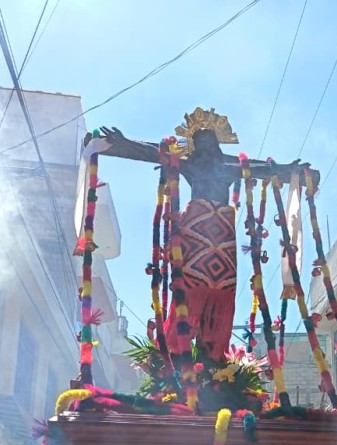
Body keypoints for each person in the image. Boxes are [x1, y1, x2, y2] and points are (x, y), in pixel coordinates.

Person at [94, 109, 309, 360]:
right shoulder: (190, 166)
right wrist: (126, 143)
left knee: (220, 291)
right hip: (196, 229)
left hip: (222, 234)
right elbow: (155, 152)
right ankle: (185, 351)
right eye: (201, 141)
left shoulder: (229, 168)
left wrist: (286, 168)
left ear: (218, 145)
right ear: (194, 146)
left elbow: (261, 168)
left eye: (210, 141)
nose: (206, 146)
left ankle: (212, 355)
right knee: (189, 288)